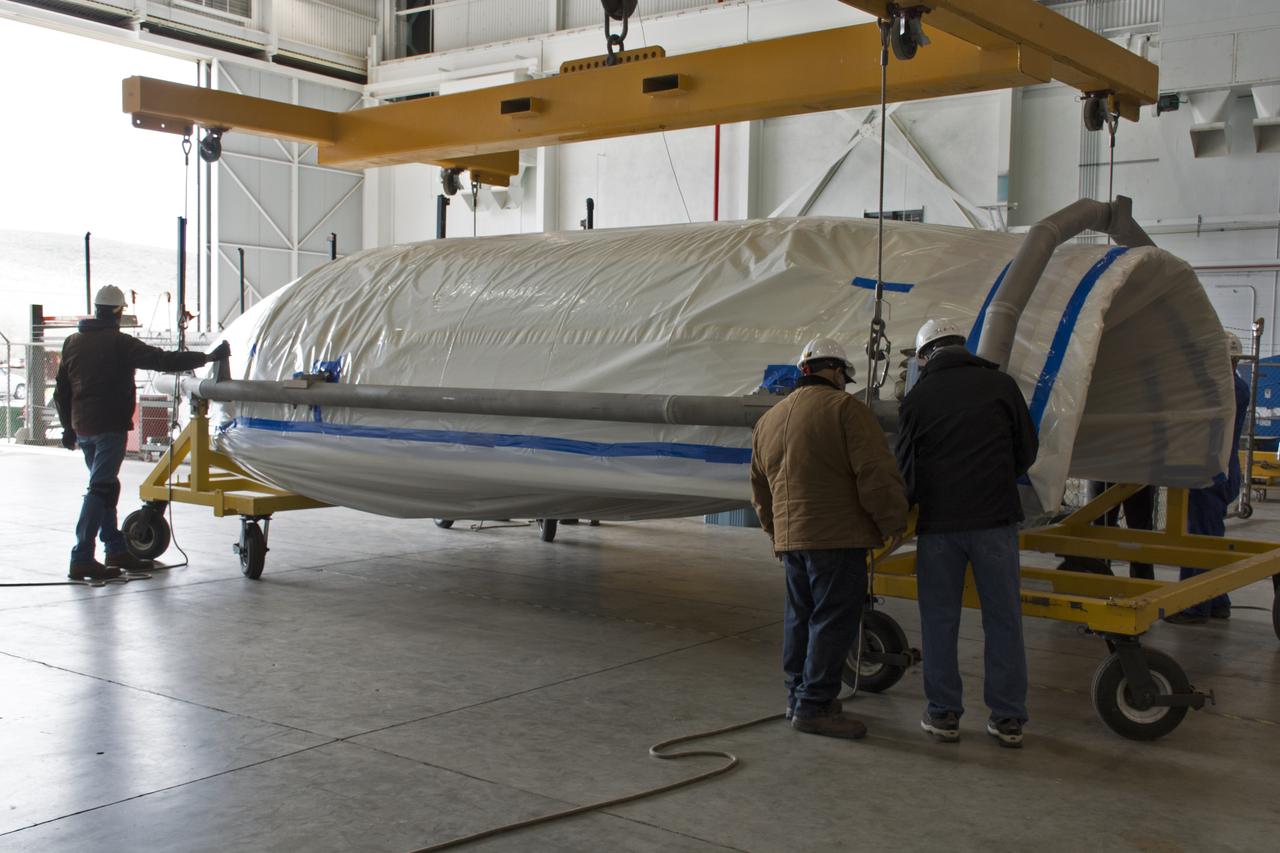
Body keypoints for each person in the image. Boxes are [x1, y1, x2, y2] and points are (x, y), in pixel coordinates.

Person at [750, 336, 909, 740]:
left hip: (793, 539)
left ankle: (797, 697)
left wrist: (776, 533)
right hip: (837, 537)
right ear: (837, 372)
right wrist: (893, 521)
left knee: (800, 618)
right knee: (832, 622)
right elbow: (874, 473)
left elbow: (759, 490)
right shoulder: (846, 410)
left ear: (804, 370)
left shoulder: (769, 420)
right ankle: (816, 707)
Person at [896, 319, 1038, 749]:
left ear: (925, 357)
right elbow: (1027, 449)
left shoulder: (918, 398)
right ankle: (1008, 718)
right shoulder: (1001, 386)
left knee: (940, 620)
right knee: (1004, 620)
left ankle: (943, 715)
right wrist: (995, 480)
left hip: (940, 527)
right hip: (995, 521)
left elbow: (906, 469)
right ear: (962, 346)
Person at [54, 285, 230, 581]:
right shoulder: (120, 343)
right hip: (109, 426)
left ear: (96, 308)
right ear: (118, 312)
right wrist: (207, 358)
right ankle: (81, 556)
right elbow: (162, 360)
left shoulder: (72, 341)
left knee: (106, 487)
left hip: (82, 426)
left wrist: (67, 429)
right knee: (100, 489)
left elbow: (62, 390)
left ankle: (116, 549)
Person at [1168, 332, 1252, 624]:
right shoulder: (1237, 387)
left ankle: (1195, 605)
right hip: (1222, 470)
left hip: (1211, 472)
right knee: (1211, 538)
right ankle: (1218, 600)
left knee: (1200, 539)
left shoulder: (1227, 390)